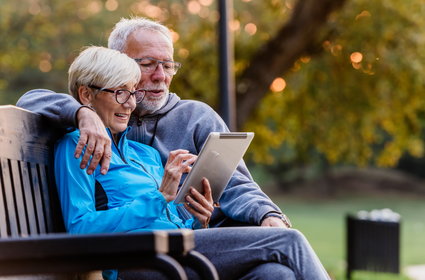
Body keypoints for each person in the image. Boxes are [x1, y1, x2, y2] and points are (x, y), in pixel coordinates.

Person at [56, 45, 330, 280]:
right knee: (287, 240)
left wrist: (199, 221)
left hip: (173, 251)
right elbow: (81, 228)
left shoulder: (144, 153)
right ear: (86, 95)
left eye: (132, 93)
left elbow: (167, 218)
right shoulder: (75, 146)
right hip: (138, 263)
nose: (129, 104)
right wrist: (159, 196)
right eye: (119, 93)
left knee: (274, 274)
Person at [17, 16, 291, 230]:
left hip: (204, 237)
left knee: (279, 258)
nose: (160, 76)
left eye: (168, 65)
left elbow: (236, 183)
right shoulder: (89, 126)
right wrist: (82, 114)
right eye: (147, 64)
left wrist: (266, 215)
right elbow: (31, 99)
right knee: (283, 250)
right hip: (152, 256)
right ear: (120, 65)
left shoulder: (194, 118)